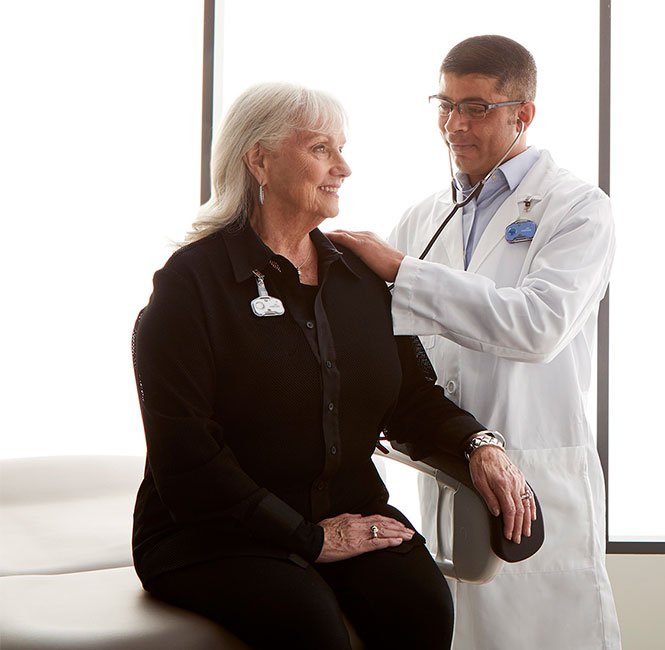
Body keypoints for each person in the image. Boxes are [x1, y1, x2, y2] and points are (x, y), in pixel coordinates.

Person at [131, 81, 534, 650]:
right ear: (259, 160)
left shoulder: (358, 278)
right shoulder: (190, 284)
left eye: (340, 149)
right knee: (309, 625)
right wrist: (306, 538)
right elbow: (186, 452)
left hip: (350, 514)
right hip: (214, 532)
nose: (343, 167)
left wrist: (479, 444)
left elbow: (413, 399)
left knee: (421, 605)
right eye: (321, 149)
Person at [327, 35, 621, 649]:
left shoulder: (576, 208)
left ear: (523, 114)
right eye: (445, 105)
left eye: (477, 107)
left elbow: (538, 325)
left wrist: (401, 271)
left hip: (536, 464)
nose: (455, 124)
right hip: (450, 468)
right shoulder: (426, 214)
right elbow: (401, 347)